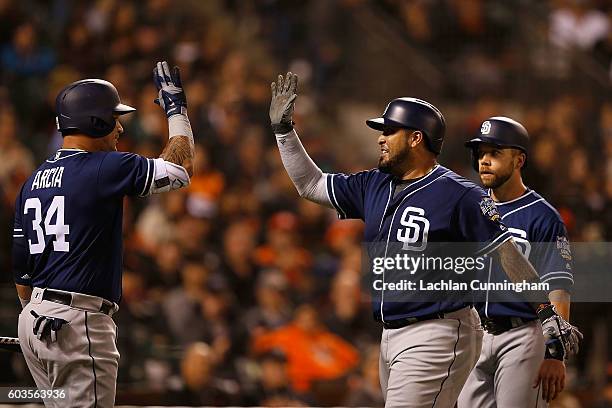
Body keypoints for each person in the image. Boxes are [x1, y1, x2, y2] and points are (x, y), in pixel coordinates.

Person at [268, 72, 579, 407]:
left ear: (416, 138)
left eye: (389, 130)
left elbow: (508, 255)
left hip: (438, 331)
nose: (380, 139)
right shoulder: (373, 183)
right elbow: (311, 185)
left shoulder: (460, 195)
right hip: (391, 333)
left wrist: (547, 314)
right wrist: (284, 132)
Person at [12, 61, 195, 407]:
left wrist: (40, 313)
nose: (120, 129)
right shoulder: (102, 167)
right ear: (95, 121)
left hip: (34, 321)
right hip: (78, 324)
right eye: (114, 119)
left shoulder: (32, 181)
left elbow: (22, 273)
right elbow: (181, 169)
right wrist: (176, 111)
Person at [458, 117, 580, 407]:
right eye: (481, 153)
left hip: (523, 334)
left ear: (519, 160)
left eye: (495, 153)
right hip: (474, 334)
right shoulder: (470, 208)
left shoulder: (542, 215)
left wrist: (555, 354)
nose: (484, 160)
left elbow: (558, 287)